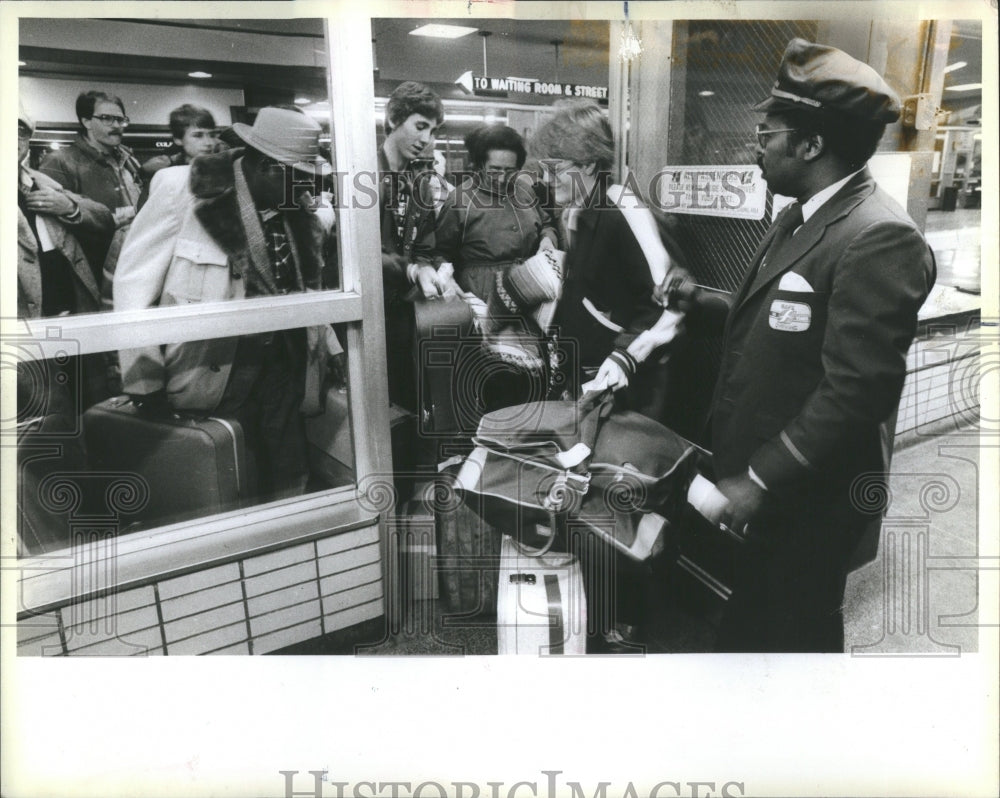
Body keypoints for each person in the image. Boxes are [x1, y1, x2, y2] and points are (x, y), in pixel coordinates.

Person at [680, 39, 936, 652]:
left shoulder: (878, 237)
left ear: (811, 144)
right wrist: (699, 301)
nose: (756, 146)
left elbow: (857, 389)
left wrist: (760, 479)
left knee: (797, 630)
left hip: (807, 497)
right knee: (757, 623)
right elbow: (785, 322)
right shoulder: (804, 214)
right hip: (769, 485)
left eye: (767, 133)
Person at [114, 106, 339, 502]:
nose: (308, 190)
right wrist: (143, 378)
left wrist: (329, 348)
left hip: (283, 369)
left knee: (288, 473)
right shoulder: (181, 191)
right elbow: (133, 287)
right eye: (299, 177)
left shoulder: (300, 213)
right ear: (268, 166)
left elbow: (306, 288)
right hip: (210, 370)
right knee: (222, 482)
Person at [528, 100, 688, 653]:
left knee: (625, 501)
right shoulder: (581, 213)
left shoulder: (626, 213)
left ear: (590, 163)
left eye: (557, 169)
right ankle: (605, 612)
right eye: (544, 170)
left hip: (632, 390)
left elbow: (672, 307)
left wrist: (624, 358)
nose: (548, 182)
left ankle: (633, 624)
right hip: (591, 386)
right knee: (596, 500)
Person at [434, 124, 559, 412]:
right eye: (494, 170)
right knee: (500, 380)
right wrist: (447, 281)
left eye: (510, 170)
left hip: (530, 291)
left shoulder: (526, 192)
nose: (503, 178)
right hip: (485, 298)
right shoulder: (460, 200)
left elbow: (548, 223)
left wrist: (547, 239)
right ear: (478, 165)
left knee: (536, 378)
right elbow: (439, 252)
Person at [378, 81, 456, 412]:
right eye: (420, 126)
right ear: (395, 120)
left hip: (404, 309)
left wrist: (432, 268)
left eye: (433, 130)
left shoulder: (420, 183)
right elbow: (355, 253)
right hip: (368, 310)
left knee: (407, 395)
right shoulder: (365, 173)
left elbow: (424, 244)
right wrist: (411, 269)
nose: (426, 139)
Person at [38, 90, 142, 282]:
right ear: (86, 122)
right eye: (107, 119)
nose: (117, 126)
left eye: (121, 120)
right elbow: (52, 229)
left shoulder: (128, 160)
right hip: (90, 270)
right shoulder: (60, 161)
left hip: (132, 260)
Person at [137, 104, 218, 210]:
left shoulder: (223, 170)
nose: (209, 142)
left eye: (212, 135)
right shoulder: (165, 175)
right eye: (198, 135)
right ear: (178, 139)